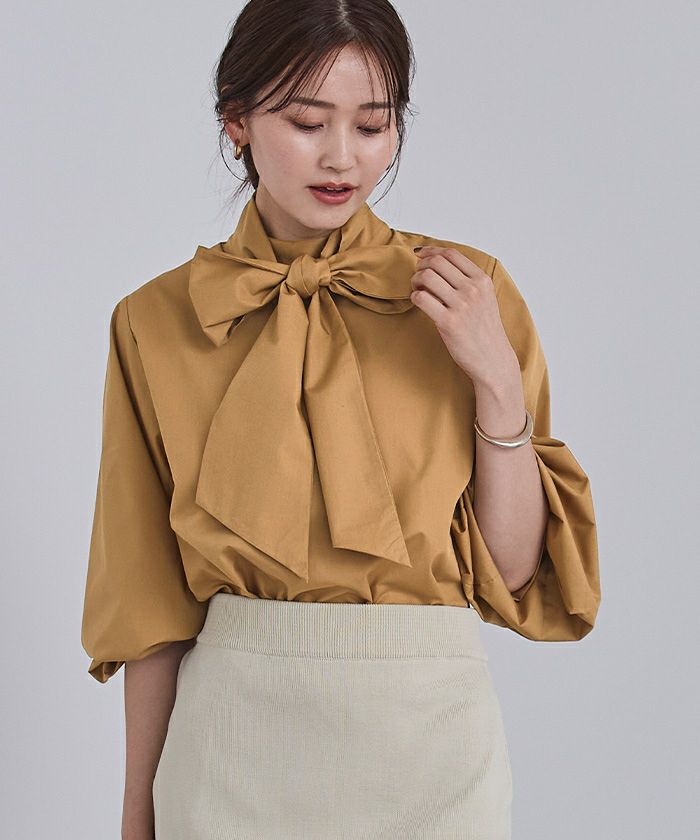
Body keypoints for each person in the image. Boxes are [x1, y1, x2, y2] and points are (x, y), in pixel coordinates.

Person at [80, 1, 601, 838]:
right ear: (236, 120)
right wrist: (136, 820)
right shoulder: (155, 321)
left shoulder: (469, 294)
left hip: (435, 754)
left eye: (372, 124)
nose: (342, 157)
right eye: (306, 121)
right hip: (229, 752)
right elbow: (148, 608)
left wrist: (499, 385)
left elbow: (511, 572)